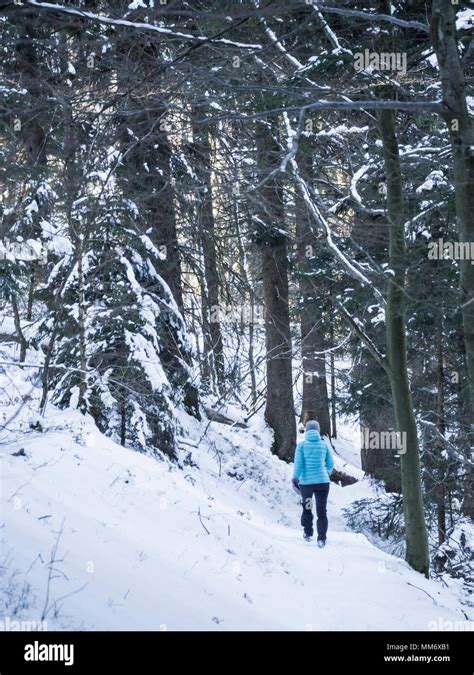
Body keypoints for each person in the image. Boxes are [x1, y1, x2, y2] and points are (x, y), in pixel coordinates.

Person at [292, 420, 334, 547]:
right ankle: (321, 539)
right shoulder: (324, 445)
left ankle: (308, 532)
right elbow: (331, 464)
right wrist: (325, 473)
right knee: (322, 511)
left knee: (308, 507)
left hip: (307, 485)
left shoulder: (302, 446)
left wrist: (295, 478)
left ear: (307, 431)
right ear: (318, 430)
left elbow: (299, 465)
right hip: (323, 483)